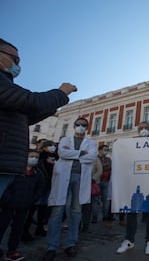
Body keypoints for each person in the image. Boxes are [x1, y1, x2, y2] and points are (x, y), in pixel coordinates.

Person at [0, 38, 77, 200]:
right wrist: (61, 92)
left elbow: (23, 117)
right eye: (15, 59)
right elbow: (30, 101)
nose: (18, 65)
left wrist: (50, 109)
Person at [43, 117, 97, 260]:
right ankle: (51, 246)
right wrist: (81, 154)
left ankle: (70, 243)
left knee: (76, 210)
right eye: (78, 124)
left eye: (83, 125)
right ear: (74, 126)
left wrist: (72, 154)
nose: (81, 127)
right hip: (63, 177)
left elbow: (92, 157)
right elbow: (62, 153)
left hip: (80, 177)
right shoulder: (65, 140)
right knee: (57, 210)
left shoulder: (91, 142)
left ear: (87, 127)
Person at [116, 122, 149, 255]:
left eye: (146, 128)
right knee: (132, 211)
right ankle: (129, 240)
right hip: (134, 182)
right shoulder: (131, 143)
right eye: (141, 128)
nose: (143, 130)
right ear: (138, 131)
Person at [0, 149, 45, 260]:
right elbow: (5, 185)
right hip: (9, 204)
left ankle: (12, 250)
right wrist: (8, 199)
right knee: (1, 226)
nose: (34, 159)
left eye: (36, 157)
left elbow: (40, 188)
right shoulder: (14, 170)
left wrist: (32, 200)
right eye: (32, 156)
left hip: (25, 205)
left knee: (18, 229)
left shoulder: (38, 173)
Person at [81, 156, 102, 232]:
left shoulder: (95, 159)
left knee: (88, 206)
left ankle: (86, 224)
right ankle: (79, 223)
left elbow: (99, 170)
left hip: (91, 184)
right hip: (80, 183)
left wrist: (93, 178)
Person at [97, 145, 114, 222]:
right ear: (100, 150)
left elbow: (109, 166)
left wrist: (101, 167)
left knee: (105, 200)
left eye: (107, 149)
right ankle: (94, 216)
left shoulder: (108, 159)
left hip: (106, 180)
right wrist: (104, 167)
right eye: (105, 149)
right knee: (95, 200)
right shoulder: (95, 158)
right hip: (97, 181)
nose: (106, 151)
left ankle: (105, 216)